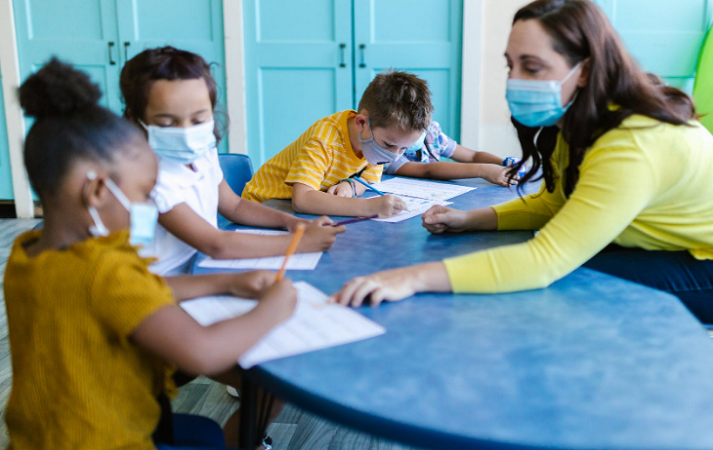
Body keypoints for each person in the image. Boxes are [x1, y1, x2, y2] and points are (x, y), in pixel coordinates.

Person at [330, 0, 713, 327]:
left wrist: (408, 277)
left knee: (567, 284)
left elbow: (546, 260)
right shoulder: (571, 120)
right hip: (695, 250)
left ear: (586, 70)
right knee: (544, 269)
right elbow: (556, 204)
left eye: (532, 67)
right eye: (511, 65)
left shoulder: (632, 142)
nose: (515, 81)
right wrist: (470, 219)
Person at [4, 58, 296, 450]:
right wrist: (276, 306)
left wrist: (227, 280)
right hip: (104, 438)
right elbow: (203, 351)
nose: (147, 207)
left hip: (41, 436)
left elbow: (132, 288)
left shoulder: (27, 254)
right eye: (142, 195)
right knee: (262, 379)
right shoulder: (103, 268)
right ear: (96, 193)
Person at [120, 47, 343, 275]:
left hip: (201, 263)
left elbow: (234, 205)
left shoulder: (202, 152)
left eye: (198, 119)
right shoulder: (148, 178)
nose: (187, 132)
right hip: (164, 280)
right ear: (135, 120)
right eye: (167, 123)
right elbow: (215, 244)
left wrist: (290, 222)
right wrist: (302, 244)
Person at [242, 70, 430, 218]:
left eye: (404, 149)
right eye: (389, 145)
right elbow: (302, 199)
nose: (395, 155)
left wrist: (350, 186)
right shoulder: (324, 140)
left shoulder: (374, 142)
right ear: (362, 123)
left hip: (295, 213)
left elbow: (368, 178)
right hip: (259, 210)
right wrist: (368, 207)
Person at [383, 119, 522, 186]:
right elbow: (426, 170)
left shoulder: (432, 131)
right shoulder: (388, 148)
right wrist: (483, 170)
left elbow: (472, 156)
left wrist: (504, 164)